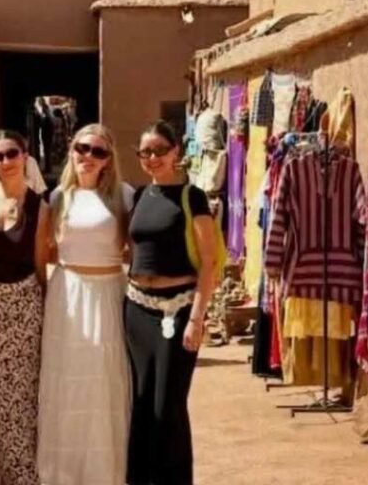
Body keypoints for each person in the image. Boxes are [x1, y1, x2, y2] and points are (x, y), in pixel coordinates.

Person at [37, 123, 132, 485]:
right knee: (66, 381)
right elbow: (42, 251)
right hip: (68, 295)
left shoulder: (123, 196)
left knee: (104, 381)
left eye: (98, 152)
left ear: (109, 160)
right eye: (81, 149)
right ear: (71, 151)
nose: (88, 157)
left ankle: (104, 473)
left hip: (108, 292)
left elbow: (136, 251)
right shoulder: (58, 196)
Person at [125, 121, 218, 485]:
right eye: (145, 152)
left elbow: (208, 261)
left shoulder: (191, 197)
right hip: (136, 311)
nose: (152, 158)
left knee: (169, 405)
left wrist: (197, 318)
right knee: (142, 401)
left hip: (177, 310)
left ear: (176, 151)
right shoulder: (137, 196)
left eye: (159, 150)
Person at [0, 130, 50, 485]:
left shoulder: (40, 206)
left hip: (24, 308)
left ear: (25, 156)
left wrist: (49, 312)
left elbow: (39, 265)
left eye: (11, 154)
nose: (5, 161)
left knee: (21, 399)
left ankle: (22, 476)